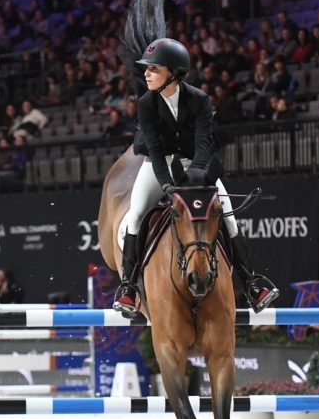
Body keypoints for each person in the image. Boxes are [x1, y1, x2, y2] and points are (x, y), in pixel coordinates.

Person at [112, 38, 278, 317]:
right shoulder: (146, 103)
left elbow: (203, 144)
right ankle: (128, 287)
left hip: (195, 165)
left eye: (153, 69)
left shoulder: (199, 99)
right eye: (147, 69)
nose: (146, 74)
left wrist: (195, 178)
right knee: (137, 214)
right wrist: (167, 184)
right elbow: (154, 149)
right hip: (158, 166)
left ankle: (251, 283)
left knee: (228, 217)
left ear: (173, 73)